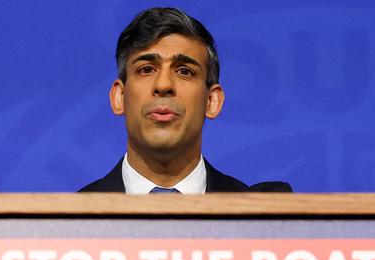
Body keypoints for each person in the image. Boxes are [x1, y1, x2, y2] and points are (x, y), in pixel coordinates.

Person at [80, 7, 291, 193]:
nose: (163, 85)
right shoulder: (67, 223)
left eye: (184, 71)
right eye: (146, 69)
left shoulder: (261, 220)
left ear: (211, 101)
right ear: (119, 97)